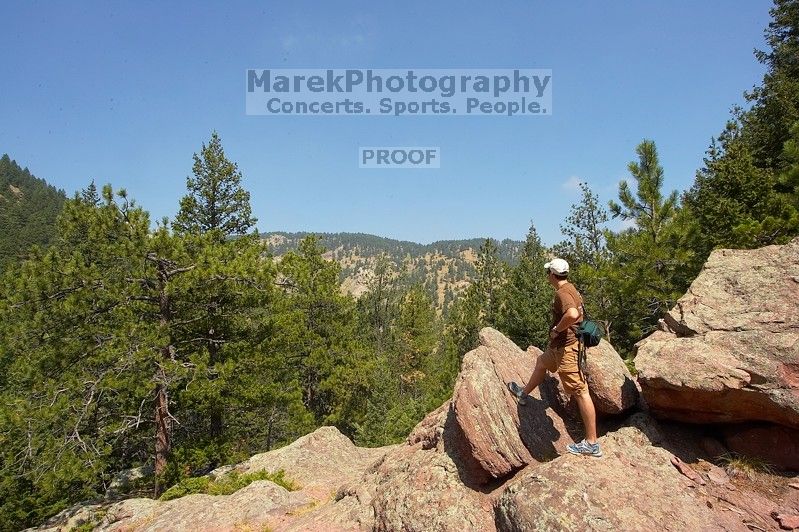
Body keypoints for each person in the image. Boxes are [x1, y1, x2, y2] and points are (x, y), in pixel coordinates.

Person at [507, 258, 602, 457]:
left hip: (567, 349)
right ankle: (523, 394)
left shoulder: (562, 293)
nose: (547, 276)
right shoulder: (570, 288)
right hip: (559, 348)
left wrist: (557, 329)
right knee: (541, 363)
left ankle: (592, 443)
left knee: (580, 391)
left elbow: (573, 314)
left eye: (547, 272)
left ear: (552, 274)